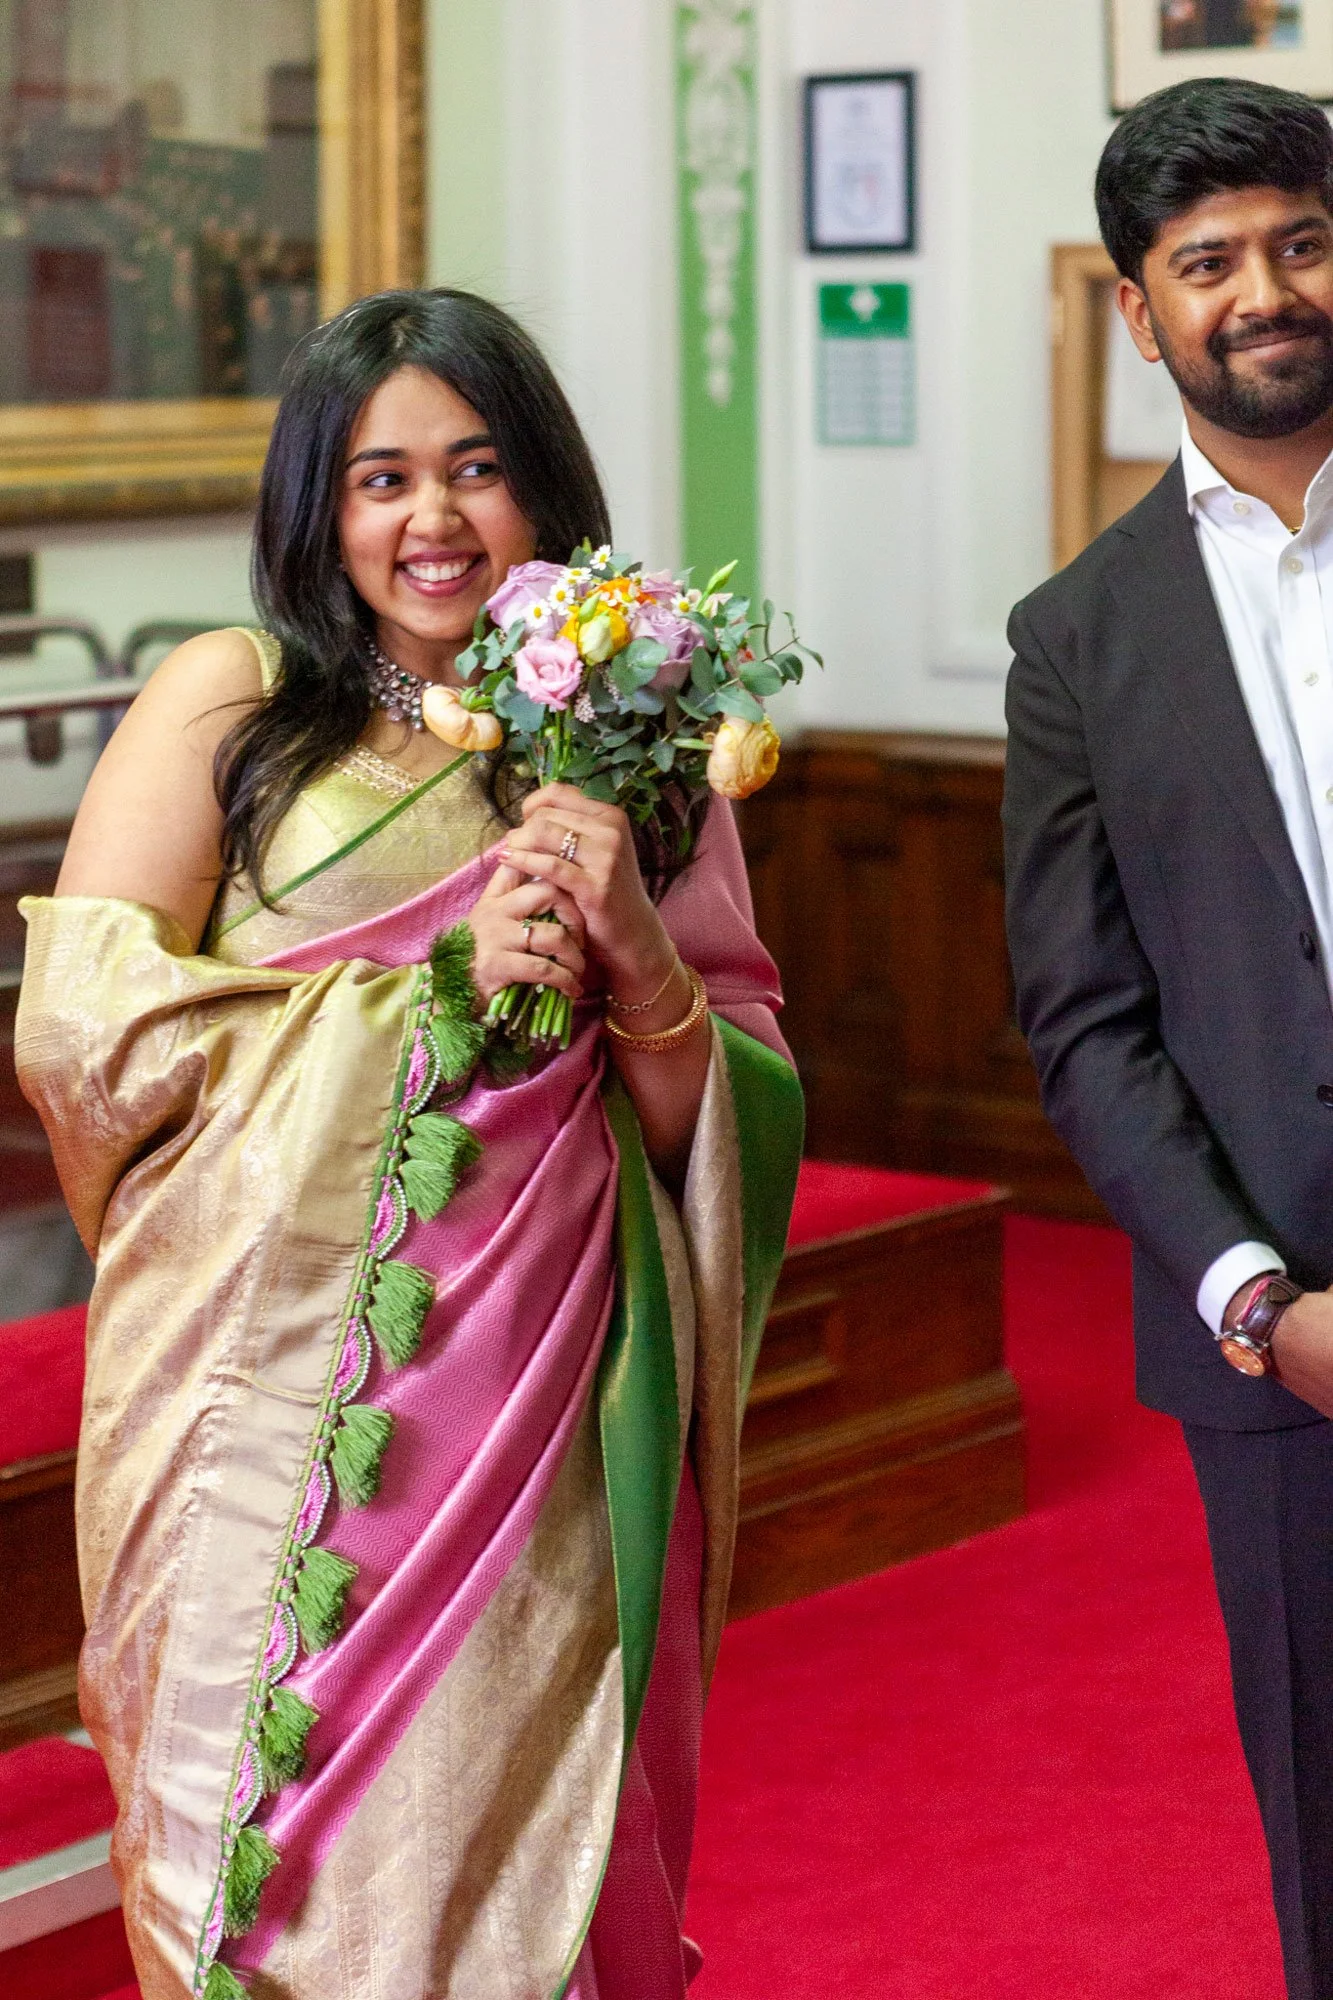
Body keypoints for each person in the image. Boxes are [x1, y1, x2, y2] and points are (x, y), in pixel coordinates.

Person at [15, 288, 803, 2000]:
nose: (432, 520)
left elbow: (726, 1105)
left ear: (546, 497)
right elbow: (89, 1034)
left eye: (478, 469)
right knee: (264, 1840)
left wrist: (642, 965)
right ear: (321, 505)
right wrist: (431, 993)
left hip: (531, 1407)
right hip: (250, 1393)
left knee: (502, 1834)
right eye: (381, 479)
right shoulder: (238, 699)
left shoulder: (641, 750)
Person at [1004, 78, 1333, 2000]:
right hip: (1279, 1350)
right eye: (1207, 262)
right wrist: (1252, 1299)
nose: (1264, 291)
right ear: (1143, 312)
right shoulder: (1078, 640)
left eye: (1298, 241)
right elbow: (1086, 1022)